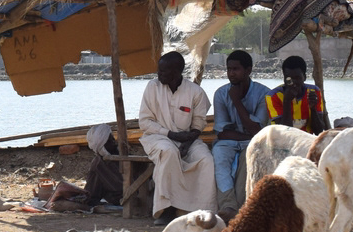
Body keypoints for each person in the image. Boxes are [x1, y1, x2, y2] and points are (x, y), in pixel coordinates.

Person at [138, 51, 215, 222]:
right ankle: (167, 209)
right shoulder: (152, 87)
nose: (159, 75)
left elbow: (198, 124)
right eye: (159, 71)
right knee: (168, 152)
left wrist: (187, 143)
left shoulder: (195, 92)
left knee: (206, 160)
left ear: (176, 72)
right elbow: (144, 122)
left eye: (163, 71)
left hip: (189, 139)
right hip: (157, 137)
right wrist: (171, 134)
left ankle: (202, 210)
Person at [211, 50, 272, 217]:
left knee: (249, 160)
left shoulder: (263, 94)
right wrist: (250, 134)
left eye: (236, 69)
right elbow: (223, 133)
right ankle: (228, 206)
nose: (231, 73)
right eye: (229, 69)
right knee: (220, 157)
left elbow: (257, 131)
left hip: (253, 142)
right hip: (228, 142)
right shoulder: (221, 94)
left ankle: (239, 208)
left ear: (248, 70)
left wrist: (236, 101)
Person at [264, 54, 330, 134]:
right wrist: (287, 101)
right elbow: (284, 133)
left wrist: (313, 109)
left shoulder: (314, 91)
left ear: (304, 77)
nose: (293, 83)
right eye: (288, 79)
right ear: (284, 77)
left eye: (297, 78)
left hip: (308, 141)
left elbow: (318, 131)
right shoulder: (273, 96)